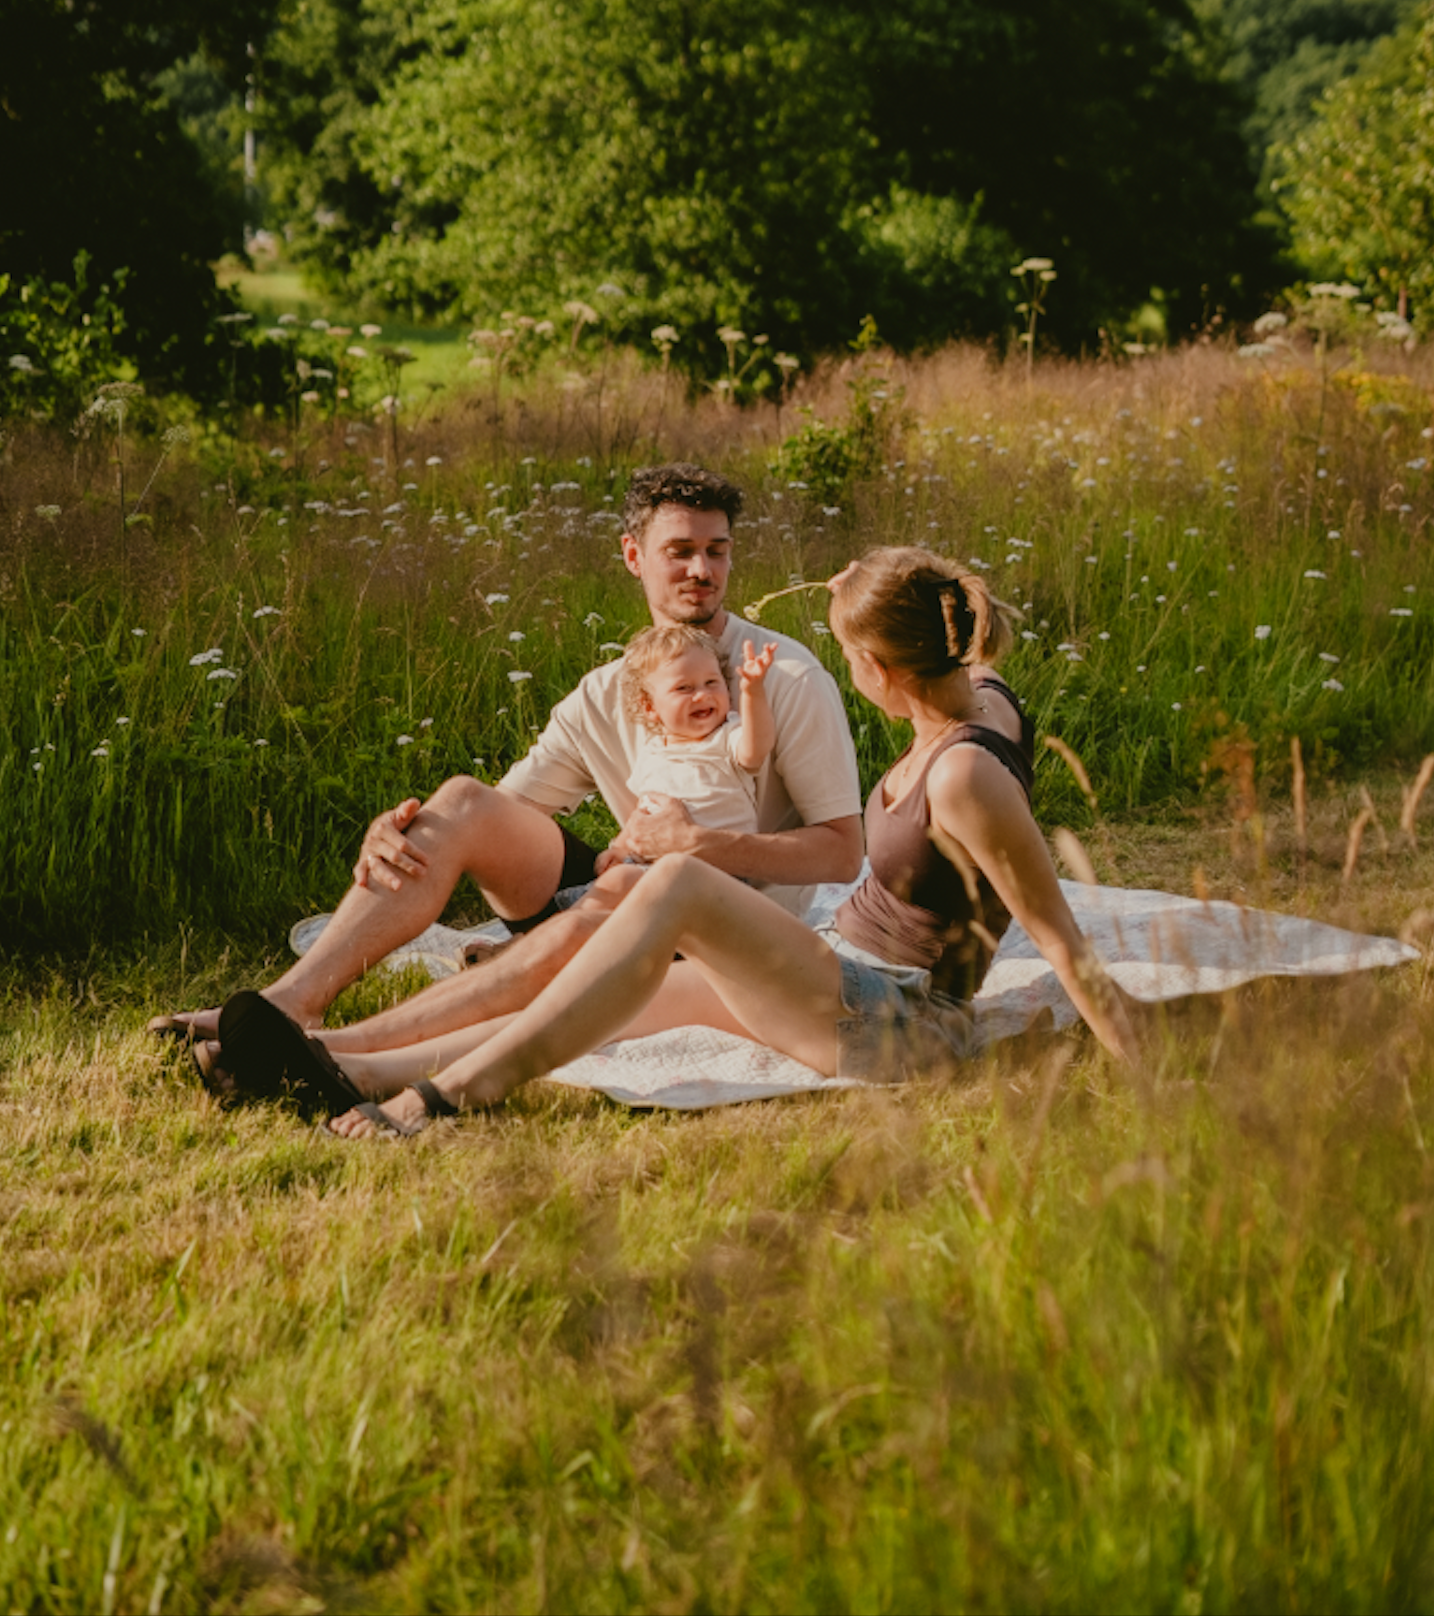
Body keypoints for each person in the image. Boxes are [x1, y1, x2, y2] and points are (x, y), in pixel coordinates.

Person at [211, 546, 1142, 1133]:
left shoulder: (965, 771)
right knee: (609, 995)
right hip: (841, 975)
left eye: (848, 653)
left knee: (673, 890)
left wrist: (1151, 1083)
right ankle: (340, 1068)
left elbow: (1058, 937)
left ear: (876, 667)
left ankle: (444, 1102)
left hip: (907, 1025)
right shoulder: (980, 704)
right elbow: (976, 675)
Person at [153, 463, 863, 1064]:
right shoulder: (604, 692)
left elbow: (840, 853)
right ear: (632, 556)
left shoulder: (785, 678)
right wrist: (410, 833)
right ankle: (289, 1006)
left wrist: (700, 844)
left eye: (717, 551)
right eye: (679, 550)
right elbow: (503, 815)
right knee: (461, 802)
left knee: (602, 916)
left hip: (729, 932)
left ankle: (344, 1053)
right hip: (632, 889)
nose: (701, 571)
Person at [614, 623, 778, 850]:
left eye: (711, 682)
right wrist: (619, 848)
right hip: (653, 859)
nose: (702, 695)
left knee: (632, 881)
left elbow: (756, 749)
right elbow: (642, 812)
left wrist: (753, 691)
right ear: (650, 706)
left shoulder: (726, 737)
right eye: (684, 688)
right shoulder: (652, 752)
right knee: (616, 879)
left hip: (719, 864)